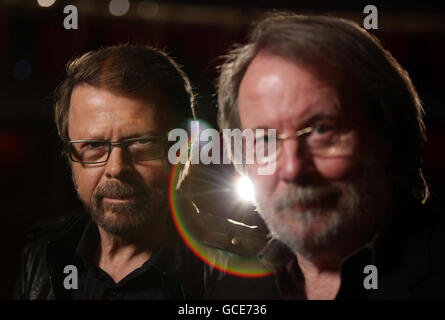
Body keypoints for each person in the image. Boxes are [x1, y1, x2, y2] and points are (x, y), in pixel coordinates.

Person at [211, 12, 445, 299]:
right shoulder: (230, 292)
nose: (293, 168)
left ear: (386, 134)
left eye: (321, 130)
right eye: (266, 139)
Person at [14, 45, 206, 300]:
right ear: (69, 156)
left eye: (141, 143)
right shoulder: (42, 259)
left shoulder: (225, 271)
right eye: (93, 146)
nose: (116, 168)